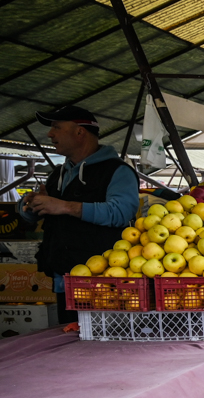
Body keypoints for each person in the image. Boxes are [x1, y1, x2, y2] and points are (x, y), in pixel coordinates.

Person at [19, 106, 139, 324]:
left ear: (79, 132)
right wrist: (34, 207)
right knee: (68, 340)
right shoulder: (58, 174)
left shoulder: (117, 171)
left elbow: (121, 212)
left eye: (56, 127)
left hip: (102, 281)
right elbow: (52, 216)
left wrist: (65, 206)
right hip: (63, 278)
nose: (50, 134)